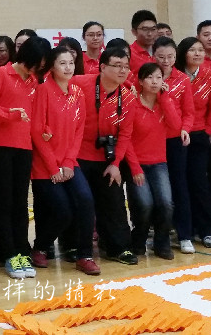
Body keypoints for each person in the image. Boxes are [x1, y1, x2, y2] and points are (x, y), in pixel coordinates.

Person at [30, 46, 100, 276]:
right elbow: (37, 131)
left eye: (71, 63)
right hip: (45, 166)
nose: (68, 67)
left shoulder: (77, 92)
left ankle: (85, 255)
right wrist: (54, 167)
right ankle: (40, 247)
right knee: (63, 210)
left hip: (69, 163)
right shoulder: (43, 91)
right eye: (62, 63)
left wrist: (69, 162)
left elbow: (79, 130)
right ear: (52, 66)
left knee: (86, 200)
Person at [0, 36, 51, 279]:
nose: (40, 68)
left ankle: (22, 250)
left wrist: (44, 129)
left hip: (24, 147)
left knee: (21, 203)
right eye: (38, 63)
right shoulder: (1, 74)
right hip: (0, 147)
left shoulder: (34, 81)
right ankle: (8, 253)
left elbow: (35, 115)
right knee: (3, 202)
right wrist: (10, 114)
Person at [74, 47, 138, 265]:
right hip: (77, 155)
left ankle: (119, 248)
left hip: (107, 158)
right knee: (81, 201)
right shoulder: (80, 83)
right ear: (102, 67)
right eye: (117, 66)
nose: (122, 71)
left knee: (114, 201)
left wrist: (117, 163)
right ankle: (75, 247)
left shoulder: (127, 97)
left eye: (126, 66)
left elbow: (126, 134)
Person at [124, 62, 179, 260]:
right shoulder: (132, 103)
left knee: (166, 203)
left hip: (159, 163)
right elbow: (126, 139)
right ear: (140, 81)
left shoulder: (164, 102)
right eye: (149, 77)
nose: (155, 82)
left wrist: (165, 99)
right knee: (145, 204)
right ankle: (138, 240)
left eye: (158, 77)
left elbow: (175, 126)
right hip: (136, 163)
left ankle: (162, 243)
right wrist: (135, 167)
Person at [174, 37, 211, 248]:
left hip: (200, 135)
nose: (198, 53)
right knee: (180, 183)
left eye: (200, 50)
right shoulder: (174, 75)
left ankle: (207, 230)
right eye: (193, 50)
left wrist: (208, 131)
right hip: (177, 136)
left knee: (200, 182)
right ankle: (185, 230)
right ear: (183, 53)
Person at [152, 37, 196, 254]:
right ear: (153, 56)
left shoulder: (182, 80)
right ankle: (158, 232)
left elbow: (189, 112)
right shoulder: (146, 77)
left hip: (175, 139)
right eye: (161, 57)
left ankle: (185, 234)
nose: (166, 61)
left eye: (170, 56)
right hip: (151, 140)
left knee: (179, 186)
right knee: (158, 189)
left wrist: (185, 128)